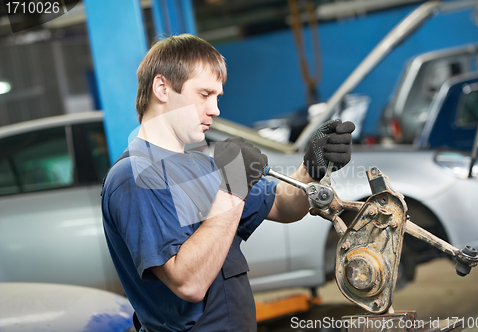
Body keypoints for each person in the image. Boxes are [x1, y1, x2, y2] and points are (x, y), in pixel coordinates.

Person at [101, 34, 354, 332]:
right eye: (204, 94)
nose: (216, 109)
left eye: (217, 97)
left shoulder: (201, 166)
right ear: (162, 87)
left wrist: (311, 168)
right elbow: (189, 282)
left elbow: (285, 206)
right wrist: (233, 190)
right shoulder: (134, 177)